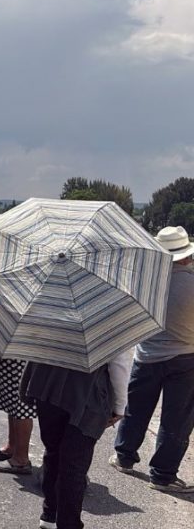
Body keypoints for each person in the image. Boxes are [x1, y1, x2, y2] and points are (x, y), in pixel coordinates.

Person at [112, 226, 194, 493]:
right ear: (186, 256)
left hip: (146, 355)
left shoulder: (145, 283)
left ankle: (124, 456)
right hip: (185, 357)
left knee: (136, 409)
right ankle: (163, 475)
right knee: (177, 419)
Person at [23, 354, 129, 528]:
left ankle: (49, 515)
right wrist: (119, 405)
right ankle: (67, 523)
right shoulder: (105, 325)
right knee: (74, 465)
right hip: (87, 393)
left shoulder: (53, 323)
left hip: (48, 383)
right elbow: (118, 362)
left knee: (53, 452)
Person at [0, 322, 37, 475]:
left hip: (21, 349)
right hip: (9, 349)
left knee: (21, 406)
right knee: (12, 401)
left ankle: (21, 460)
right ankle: (12, 447)